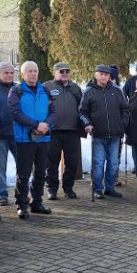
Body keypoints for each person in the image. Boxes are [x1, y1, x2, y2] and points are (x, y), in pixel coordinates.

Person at [7, 61, 56, 219]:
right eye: (29, 71)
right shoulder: (16, 91)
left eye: (35, 70)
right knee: (24, 174)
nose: (33, 73)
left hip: (43, 138)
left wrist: (45, 124)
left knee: (41, 172)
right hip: (24, 139)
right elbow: (15, 113)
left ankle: (37, 202)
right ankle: (21, 205)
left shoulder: (45, 90)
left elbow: (54, 111)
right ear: (23, 74)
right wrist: (35, 125)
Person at [79, 64, 129, 199]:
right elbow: (82, 112)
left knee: (113, 163)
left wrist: (122, 124)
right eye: (101, 74)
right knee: (99, 162)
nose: (104, 77)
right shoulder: (88, 92)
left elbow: (126, 109)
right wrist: (87, 124)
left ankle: (110, 188)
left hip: (115, 134)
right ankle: (97, 189)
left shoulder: (117, 91)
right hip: (98, 134)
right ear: (95, 75)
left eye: (106, 75)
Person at [43, 62, 83, 200]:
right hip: (53, 131)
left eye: (67, 71)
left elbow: (82, 107)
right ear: (54, 73)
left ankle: (68, 188)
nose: (64, 73)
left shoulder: (76, 88)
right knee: (51, 162)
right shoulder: (47, 86)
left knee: (72, 162)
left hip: (72, 130)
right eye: (61, 71)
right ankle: (52, 190)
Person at [0, 62, 18, 206]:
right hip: (0, 135)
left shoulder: (19, 89)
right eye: (6, 73)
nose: (9, 75)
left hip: (18, 134)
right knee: (1, 167)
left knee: (22, 166)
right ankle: (2, 194)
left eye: (12, 73)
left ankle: (21, 192)